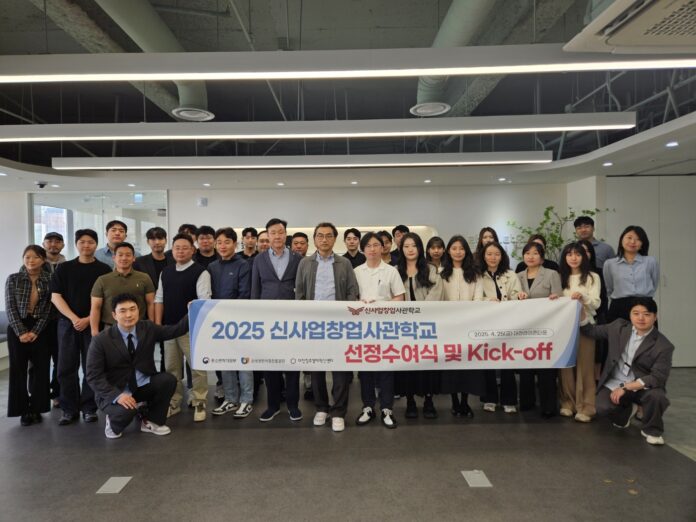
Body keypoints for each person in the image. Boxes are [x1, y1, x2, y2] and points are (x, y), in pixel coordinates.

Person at [86, 293, 189, 439]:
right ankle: (113, 422)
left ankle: (151, 421)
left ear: (138, 311)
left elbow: (176, 330)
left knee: (168, 380)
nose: (129, 315)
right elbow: (93, 376)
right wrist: (117, 396)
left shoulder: (147, 328)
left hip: (140, 385)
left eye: (132, 309)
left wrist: (192, 311)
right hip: (115, 390)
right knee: (127, 412)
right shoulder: (101, 341)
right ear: (114, 315)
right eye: (123, 311)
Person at [581, 297, 673, 445]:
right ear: (630, 315)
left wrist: (626, 387)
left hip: (642, 385)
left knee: (657, 397)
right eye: (636, 313)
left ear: (655, 317)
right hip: (616, 381)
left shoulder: (663, 345)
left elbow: (658, 377)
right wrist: (580, 309)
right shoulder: (618, 327)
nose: (641, 318)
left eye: (646, 314)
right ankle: (626, 413)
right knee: (602, 407)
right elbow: (591, 331)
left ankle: (652, 430)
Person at [295, 222, 359, 432]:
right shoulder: (305, 263)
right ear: (314, 239)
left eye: (329, 235)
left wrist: (344, 315)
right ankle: (321, 408)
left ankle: (338, 411)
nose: (324, 239)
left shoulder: (344, 263)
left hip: (338, 324)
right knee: (316, 368)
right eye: (320, 236)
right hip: (314, 325)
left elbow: (352, 291)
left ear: (334, 239)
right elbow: (299, 294)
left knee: (340, 369)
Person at [51, 229, 111, 425]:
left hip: (93, 324)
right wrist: (74, 318)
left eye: (90, 242)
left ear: (96, 244)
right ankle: (69, 409)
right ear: (76, 244)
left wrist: (87, 319)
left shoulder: (104, 269)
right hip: (67, 324)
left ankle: (89, 408)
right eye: (82, 242)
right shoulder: (64, 268)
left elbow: (106, 301)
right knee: (65, 368)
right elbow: (55, 296)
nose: (86, 245)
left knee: (91, 367)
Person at [251, 218, 303, 422]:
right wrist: (256, 318)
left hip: (292, 319)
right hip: (267, 319)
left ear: (286, 234)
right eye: (273, 233)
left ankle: (293, 405)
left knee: (292, 363)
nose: (277, 236)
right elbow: (255, 289)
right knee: (270, 363)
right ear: (267, 235)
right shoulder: (259, 259)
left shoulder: (298, 258)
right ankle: (272, 406)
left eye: (281, 232)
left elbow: (302, 288)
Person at [155, 233, 211, 422]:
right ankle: (174, 402)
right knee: (172, 369)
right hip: (169, 329)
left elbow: (204, 301)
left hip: (192, 329)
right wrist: (158, 326)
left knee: (197, 368)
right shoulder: (166, 272)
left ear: (192, 250)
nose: (180, 251)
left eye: (185, 248)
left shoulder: (201, 272)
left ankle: (199, 401)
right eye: (177, 248)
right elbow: (159, 299)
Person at [353, 232, 405, 429]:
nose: (373, 249)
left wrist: (381, 306)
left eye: (376, 245)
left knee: (386, 368)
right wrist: (361, 304)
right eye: (368, 246)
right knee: (365, 368)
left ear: (382, 248)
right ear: (363, 249)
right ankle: (367, 407)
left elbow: (399, 297)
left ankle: (386, 408)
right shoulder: (356, 271)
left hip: (385, 327)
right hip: (363, 327)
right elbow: (351, 297)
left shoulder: (391, 271)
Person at [395, 233, 444, 419]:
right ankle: (410, 401)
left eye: (413, 245)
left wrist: (419, 313)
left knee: (427, 364)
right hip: (403, 327)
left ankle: (429, 401)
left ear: (420, 248)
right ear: (401, 249)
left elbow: (436, 294)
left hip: (426, 326)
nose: (410, 249)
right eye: (406, 246)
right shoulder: (395, 270)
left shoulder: (430, 269)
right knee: (407, 365)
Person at [208, 227, 254, 419]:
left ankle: (246, 400)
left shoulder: (243, 265)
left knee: (243, 361)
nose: (223, 246)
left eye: (227, 242)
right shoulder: (212, 267)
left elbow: (245, 293)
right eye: (219, 242)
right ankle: (230, 398)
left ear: (235, 244)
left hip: (239, 321)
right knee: (225, 360)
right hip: (219, 323)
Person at [5, 245, 52, 426]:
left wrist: (35, 331)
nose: (31, 261)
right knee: (18, 370)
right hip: (17, 327)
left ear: (43, 259)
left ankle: (37, 408)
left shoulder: (50, 279)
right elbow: (10, 307)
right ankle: (22, 410)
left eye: (35, 257)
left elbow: (49, 309)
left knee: (40, 369)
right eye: (27, 257)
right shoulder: (14, 279)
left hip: (41, 327)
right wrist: (21, 332)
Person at [440, 235, 484, 418]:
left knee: (467, 364)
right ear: (448, 251)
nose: (458, 252)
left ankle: (465, 401)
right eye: (454, 248)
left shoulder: (475, 272)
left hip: (469, 325)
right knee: (451, 364)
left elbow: (478, 298)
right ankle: (454, 402)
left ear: (466, 251)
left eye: (461, 248)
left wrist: (468, 316)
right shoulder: (441, 272)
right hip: (448, 326)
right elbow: (439, 299)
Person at [517, 241, 562, 418]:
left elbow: (559, 299)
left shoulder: (551, 274)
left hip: (546, 328)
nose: (531, 256)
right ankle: (526, 402)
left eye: (535, 253)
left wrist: (555, 298)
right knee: (525, 366)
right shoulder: (517, 276)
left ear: (542, 258)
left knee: (546, 367)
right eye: (527, 253)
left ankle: (548, 406)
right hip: (524, 328)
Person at [558, 242, 601, 423]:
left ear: (584, 257)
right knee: (566, 366)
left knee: (585, 366)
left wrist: (583, 297)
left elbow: (596, 303)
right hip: (563, 328)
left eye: (577, 254)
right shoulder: (560, 277)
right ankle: (568, 403)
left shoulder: (592, 277)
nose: (573, 258)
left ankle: (586, 406)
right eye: (569, 254)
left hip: (585, 325)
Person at [477, 241, 522, 414]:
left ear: (502, 256)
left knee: (507, 361)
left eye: (496, 254)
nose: (493, 257)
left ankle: (509, 400)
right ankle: (489, 399)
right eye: (489, 254)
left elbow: (516, 294)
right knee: (487, 361)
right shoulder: (477, 275)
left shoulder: (511, 275)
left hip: (507, 322)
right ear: (483, 256)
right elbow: (475, 298)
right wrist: (488, 301)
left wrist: (519, 296)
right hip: (486, 323)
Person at [90, 242, 155, 335]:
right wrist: (94, 331)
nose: (124, 258)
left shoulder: (144, 278)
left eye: (128, 255)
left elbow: (150, 303)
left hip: (139, 327)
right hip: (111, 328)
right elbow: (96, 307)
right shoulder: (102, 280)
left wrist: (151, 326)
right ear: (114, 258)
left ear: (133, 258)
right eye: (120, 255)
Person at [603, 226, 659, 323]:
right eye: (629, 238)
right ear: (621, 239)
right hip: (619, 307)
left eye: (638, 239)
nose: (633, 242)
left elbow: (654, 284)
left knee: (647, 333)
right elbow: (609, 287)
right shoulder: (610, 264)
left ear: (642, 243)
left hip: (645, 306)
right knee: (617, 333)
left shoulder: (650, 261)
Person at [41, 231, 66, 404]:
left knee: (60, 359)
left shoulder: (68, 266)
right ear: (44, 244)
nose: (53, 244)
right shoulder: (35, 263)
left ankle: (57, 394)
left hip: (60, 319)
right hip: (40, 320)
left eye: (57, 241)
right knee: (38, 361)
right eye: (49, 241)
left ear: (62, 245)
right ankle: (39, 397)